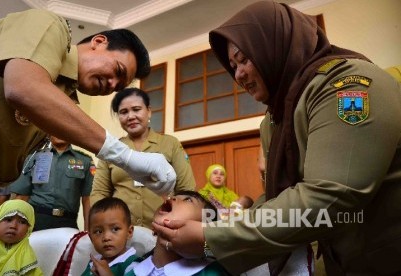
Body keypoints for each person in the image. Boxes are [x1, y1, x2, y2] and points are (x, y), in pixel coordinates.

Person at [153, 1, 401, 275]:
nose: (239, 75)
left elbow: (330, 196)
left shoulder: (348, 86)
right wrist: (215, 236)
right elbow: (277, 199)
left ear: (274, 44)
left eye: (244, 59)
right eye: (233, 66)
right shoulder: (275, 119)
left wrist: (211, 239)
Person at [0, 8, 177, 275]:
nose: (111, 84)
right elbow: (23, 87)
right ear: (98, 42)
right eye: (116, 70)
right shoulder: (49, 24)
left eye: (119, 85)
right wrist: (126, 157)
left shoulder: (61, 102)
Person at [90, 87, 196, 228]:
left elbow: (187, 190)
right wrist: (106, 226)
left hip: (164, 229)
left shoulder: (170, 144)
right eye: (124, 112)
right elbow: (100, 193)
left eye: (136, 109)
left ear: (149, 111)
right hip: (121, 234)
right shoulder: (111, 149)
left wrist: (179, 224)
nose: (131, 116)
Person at [93, 191, 230, 276]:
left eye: (188, 200)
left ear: (203, 227)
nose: (172, 198)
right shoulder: (134, 270)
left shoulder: (211, 272)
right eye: (174, 196)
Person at [10, 135, 94, 231]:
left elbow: (88, 200)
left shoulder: (85, 161)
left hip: (67, 223)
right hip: (35, 220)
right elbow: (21, 197)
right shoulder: (34, 157)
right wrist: (15, 227)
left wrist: (88, 233)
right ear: (48, 134)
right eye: (55, 129)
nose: (59, 133)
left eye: (63, 130)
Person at [0, 199, 42, 276]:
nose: (13, 226)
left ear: (29, 229)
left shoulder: (27, 260)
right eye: (8, 220)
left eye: (22, 222)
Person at [82, 197, 137, 276]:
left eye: (115, 229)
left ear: (129, 232)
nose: (106, 238)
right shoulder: (93, 263)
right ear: (91, 238)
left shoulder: (134, 265)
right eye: (98, 231)